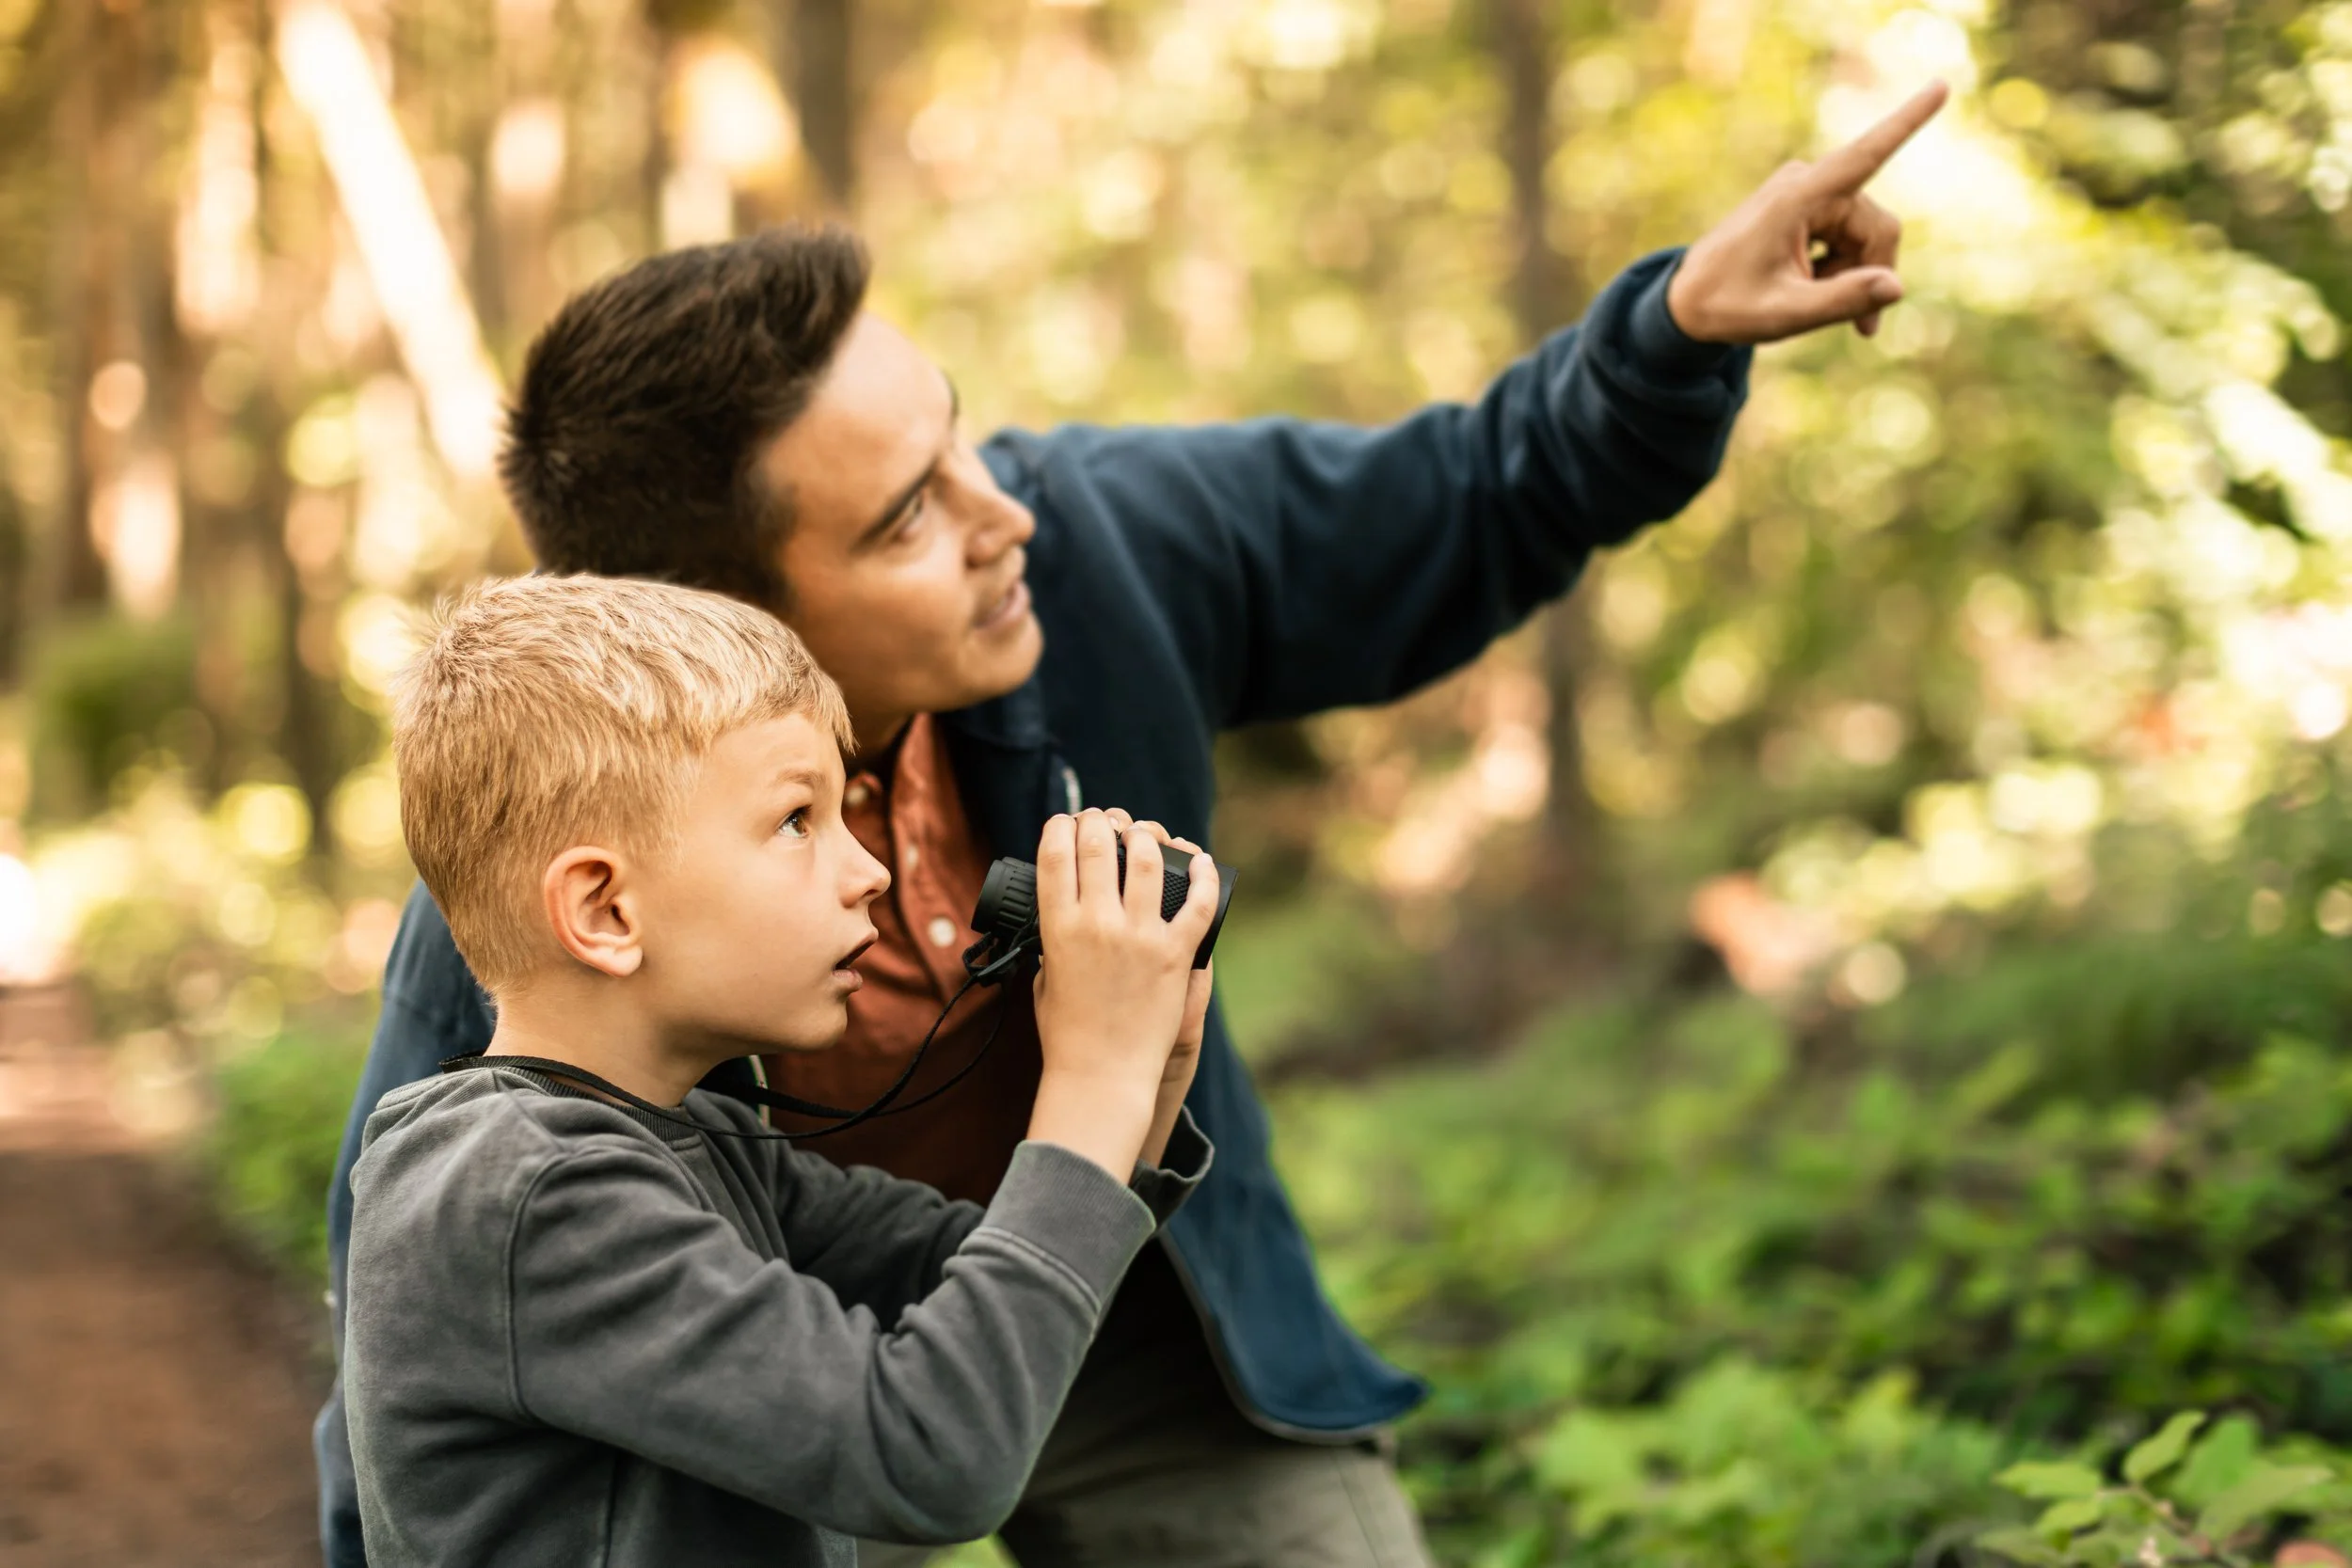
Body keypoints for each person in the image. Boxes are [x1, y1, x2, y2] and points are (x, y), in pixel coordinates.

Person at [316, 82, 1949, 1567]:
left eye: (957, 433)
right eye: (907, 517)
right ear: (722, 613)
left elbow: (1472, 496)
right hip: (789, 1373)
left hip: (1111, 1294)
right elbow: (396, 1369)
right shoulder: (531, 897)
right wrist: (1093, 1087)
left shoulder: (1099, 540)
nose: (1001, 511)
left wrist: (1669, 331)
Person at [347, 572, 1218, 1568]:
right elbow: (930, 1450)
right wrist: (1091, 1082)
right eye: (797, 820)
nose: (870, 871)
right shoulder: (518, 1191)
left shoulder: (700, 1144)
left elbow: (994, 1286)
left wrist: (1142, 1084)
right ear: (604, 911)